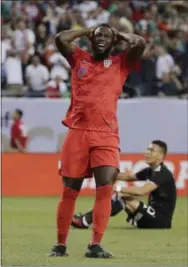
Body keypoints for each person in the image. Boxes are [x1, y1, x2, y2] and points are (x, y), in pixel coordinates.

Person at [48, 24, 146, 258]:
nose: (101, 38)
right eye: (97, 36)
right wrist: (90, 29)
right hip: (78, 132)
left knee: (105, 189)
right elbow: (61, 38)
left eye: (106, 37)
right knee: (70, 191)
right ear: (90, 40)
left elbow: (140, 43)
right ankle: (61, 245)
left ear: (113, 43)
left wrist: (115, 33)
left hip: (106, 134)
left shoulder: (121, 63)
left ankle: (95, 245)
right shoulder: (79, 59)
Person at [72, 140, 177, 230]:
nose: (147, 153)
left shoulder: (163, 173)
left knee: (121, 198)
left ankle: (85, 221)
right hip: (152, 216)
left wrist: (117, 188)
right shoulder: (150, 170)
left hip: (161, 221)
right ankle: (87, 219)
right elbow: (127, 177)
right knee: (119, 197)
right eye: (147, 149)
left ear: (161, 155)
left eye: (152, 150)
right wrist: (100, 170)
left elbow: (142, 191)